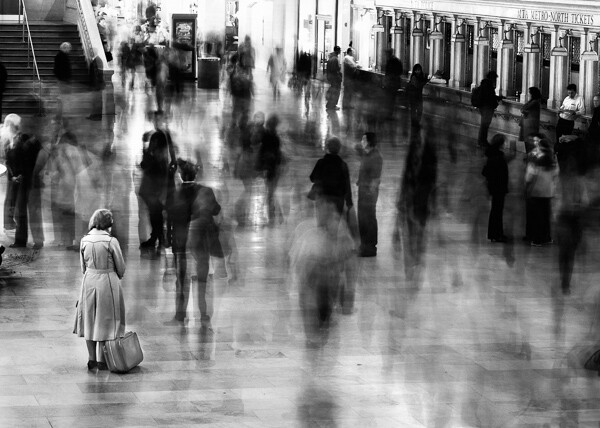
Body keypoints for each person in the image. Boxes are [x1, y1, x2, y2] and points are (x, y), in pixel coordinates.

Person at [73, 209, 126, 371]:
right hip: (108, 282)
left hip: (89, 281)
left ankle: (91, 359)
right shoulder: (111, 241)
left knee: (89, 319)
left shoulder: (84, 240)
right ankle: (102, 360)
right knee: (105, 320)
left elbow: (83, 267)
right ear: (108, 223)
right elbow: (121, 268)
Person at [309, 136, 353, 227]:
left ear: (327, 148)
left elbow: (312, 178)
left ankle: (323, 240)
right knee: (334, 227)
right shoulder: (343, 165)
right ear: (339, 149)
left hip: (323, 199)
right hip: (338, 200)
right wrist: (349, 202)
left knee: (322, 227)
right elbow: (347, 185)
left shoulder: (321, 163)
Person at [524, 138, 559, 246]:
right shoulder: (553, 160)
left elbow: (529, 176)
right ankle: (546, 237)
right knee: (545, 216)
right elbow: (556, 175)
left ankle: (535, 238)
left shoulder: (535, 160)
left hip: (536, 191)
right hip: (548, 192)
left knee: (536, 216)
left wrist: (527, 188)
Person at [356, 132, 383, 257]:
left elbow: (375, 178)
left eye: (363, 139)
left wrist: (370, 192)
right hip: (363, 190)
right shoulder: (367, 154)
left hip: (368, 193)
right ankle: (363, 245)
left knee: (369, 218)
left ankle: (370, 247)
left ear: (369, 142)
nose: (362, 141)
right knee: (362, 218)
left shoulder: (376, 157)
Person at [256, 114, 284, 225]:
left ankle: (271, 208)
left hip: (270, 165)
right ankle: (271, 210)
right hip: (271, 165)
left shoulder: (268, 135)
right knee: (271, 189)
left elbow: (261, 149)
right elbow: (269, 150)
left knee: (270, 188)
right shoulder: (271, 136)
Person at [482, 134, 509, 242]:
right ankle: (496, 234)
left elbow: (485, 171)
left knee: (495, 210)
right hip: (499, 187)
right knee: (497, 211)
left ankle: (494, 233)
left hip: (493, 187)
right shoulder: (498, 156)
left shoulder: (491, 154)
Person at [477, 71, 502, 147]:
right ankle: (482, 141)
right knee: (485, 125)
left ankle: (482, 141)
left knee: (484, 125)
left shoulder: (484, 84)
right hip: (487, 107)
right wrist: (498, 98)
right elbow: (490, 96)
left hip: (483, 106)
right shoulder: (488, 85)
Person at [53, 42, 72, 118]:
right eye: (69, 48)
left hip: (63, 80)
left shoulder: (61, 55)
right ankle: (61, 114)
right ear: (65, 48)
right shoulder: (61, 56)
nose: (70, 49)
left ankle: (59, 114)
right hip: (63, 81)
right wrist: (63, 79)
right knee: (63, 98)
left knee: (62, 98)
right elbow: (58, 69)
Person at [520, 86, 541, 151]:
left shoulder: (535, 102)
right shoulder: (532, 101)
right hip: (528, 123)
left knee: (530, 140)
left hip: (531, 124)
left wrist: (524, 110)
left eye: (530, 93)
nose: (529, 94)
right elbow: (523, 108)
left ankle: (530, 155)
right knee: (527, 140)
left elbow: (524, 108)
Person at [87, 49, 104, 121]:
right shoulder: (96, 60)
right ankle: (94, 115)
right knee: (95, 101)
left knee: (97, 101)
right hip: (96, 84)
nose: (90, 53)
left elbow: (98, 74)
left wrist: (96, 85)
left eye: (91, 52)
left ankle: (97, 116)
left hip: (96, 85)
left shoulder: (97, 60)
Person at [325, 46, 342, 111]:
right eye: (339, 50)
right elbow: (335, 70)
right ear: (337, 51)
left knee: (333, 91)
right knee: (336, 92)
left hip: (331, 77)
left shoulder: (331, 57)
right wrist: (339, 76)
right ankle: (332, 105)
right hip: (335, 78)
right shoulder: (335, 59)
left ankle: (329, 104)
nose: (340, 51)